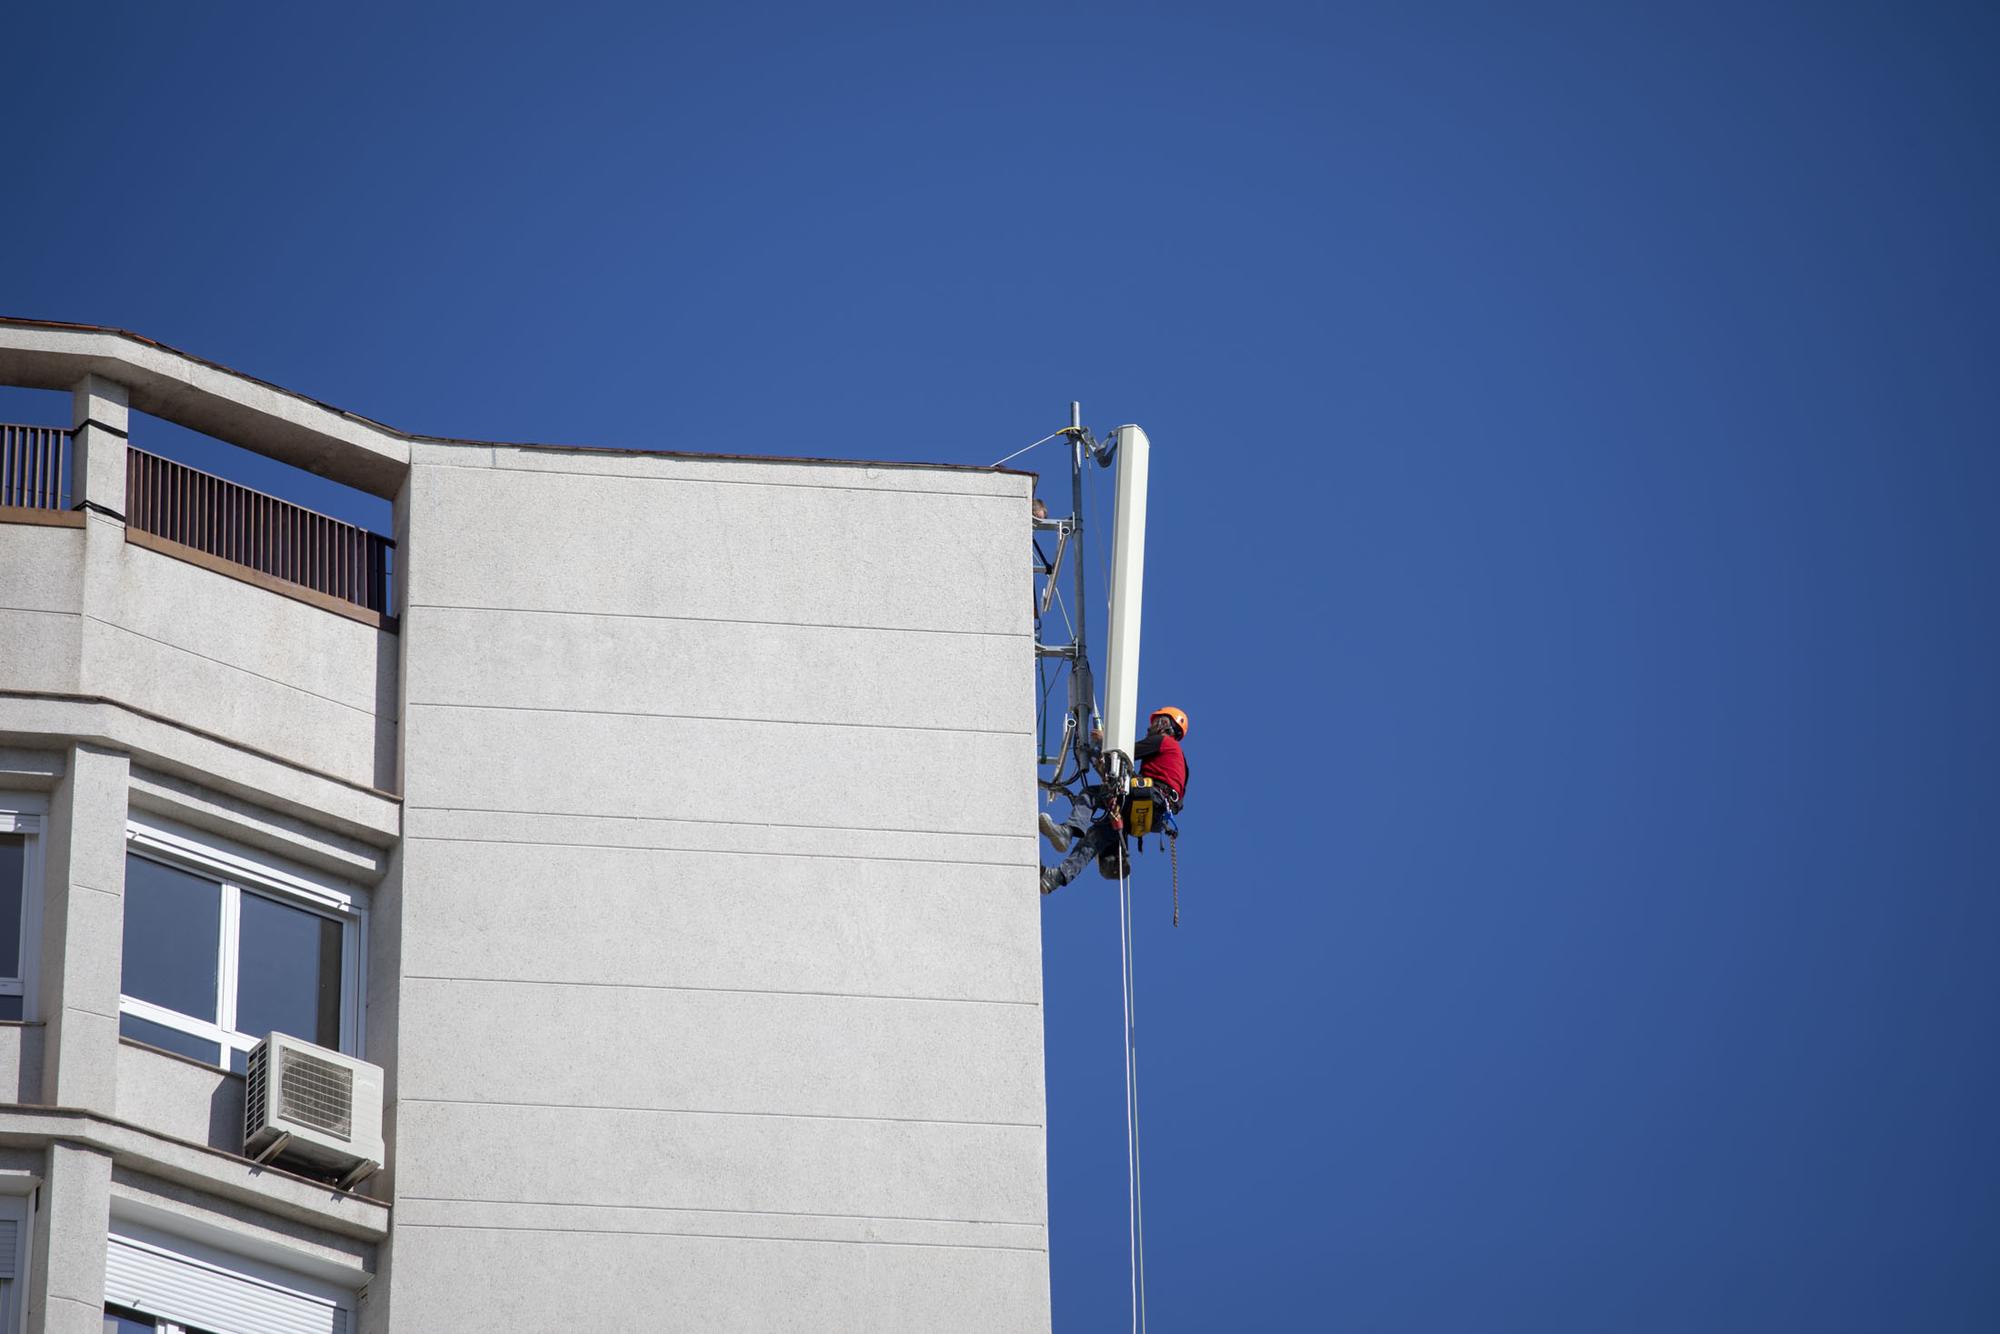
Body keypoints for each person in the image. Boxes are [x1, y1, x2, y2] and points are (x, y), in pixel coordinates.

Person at [1039, 707, 1189, 894]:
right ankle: (1054, 878)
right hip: (1155, 815)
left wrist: (1105, 741)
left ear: (1164, 724)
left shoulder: (1164, 742)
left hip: (1151, 796)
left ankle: (1067, 831)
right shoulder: (1178, 760)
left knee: (1091, 794)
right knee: (1096, 835)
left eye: (1154, 723)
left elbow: (1126, 752)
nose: (1149, 728)